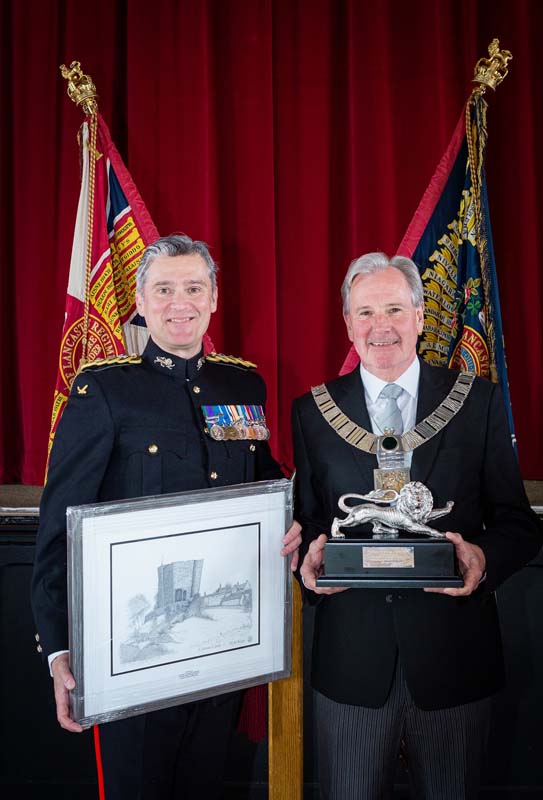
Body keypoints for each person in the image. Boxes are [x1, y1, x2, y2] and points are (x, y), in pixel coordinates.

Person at [32, 234, 301, 800]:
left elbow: (264, 477)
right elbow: (58, 529)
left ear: (214, 299)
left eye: (193, 288)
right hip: (129, 654)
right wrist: (59, 649)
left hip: (222, 649)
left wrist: (292, 512)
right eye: (164, 289)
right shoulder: (102, 391)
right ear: (142, 299)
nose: (180, 302)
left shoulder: (242, 383)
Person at [293, 252, 541, 800]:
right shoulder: (312, 411)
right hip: (352, 667)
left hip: (454, 661)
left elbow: (518, 526)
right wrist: (306, 564)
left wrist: (481, 558)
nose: (380, 326)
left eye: (394, 309)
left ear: (421, 316)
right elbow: (310, 524)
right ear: (348, 324)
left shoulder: (476, 402)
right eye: (365, 313)